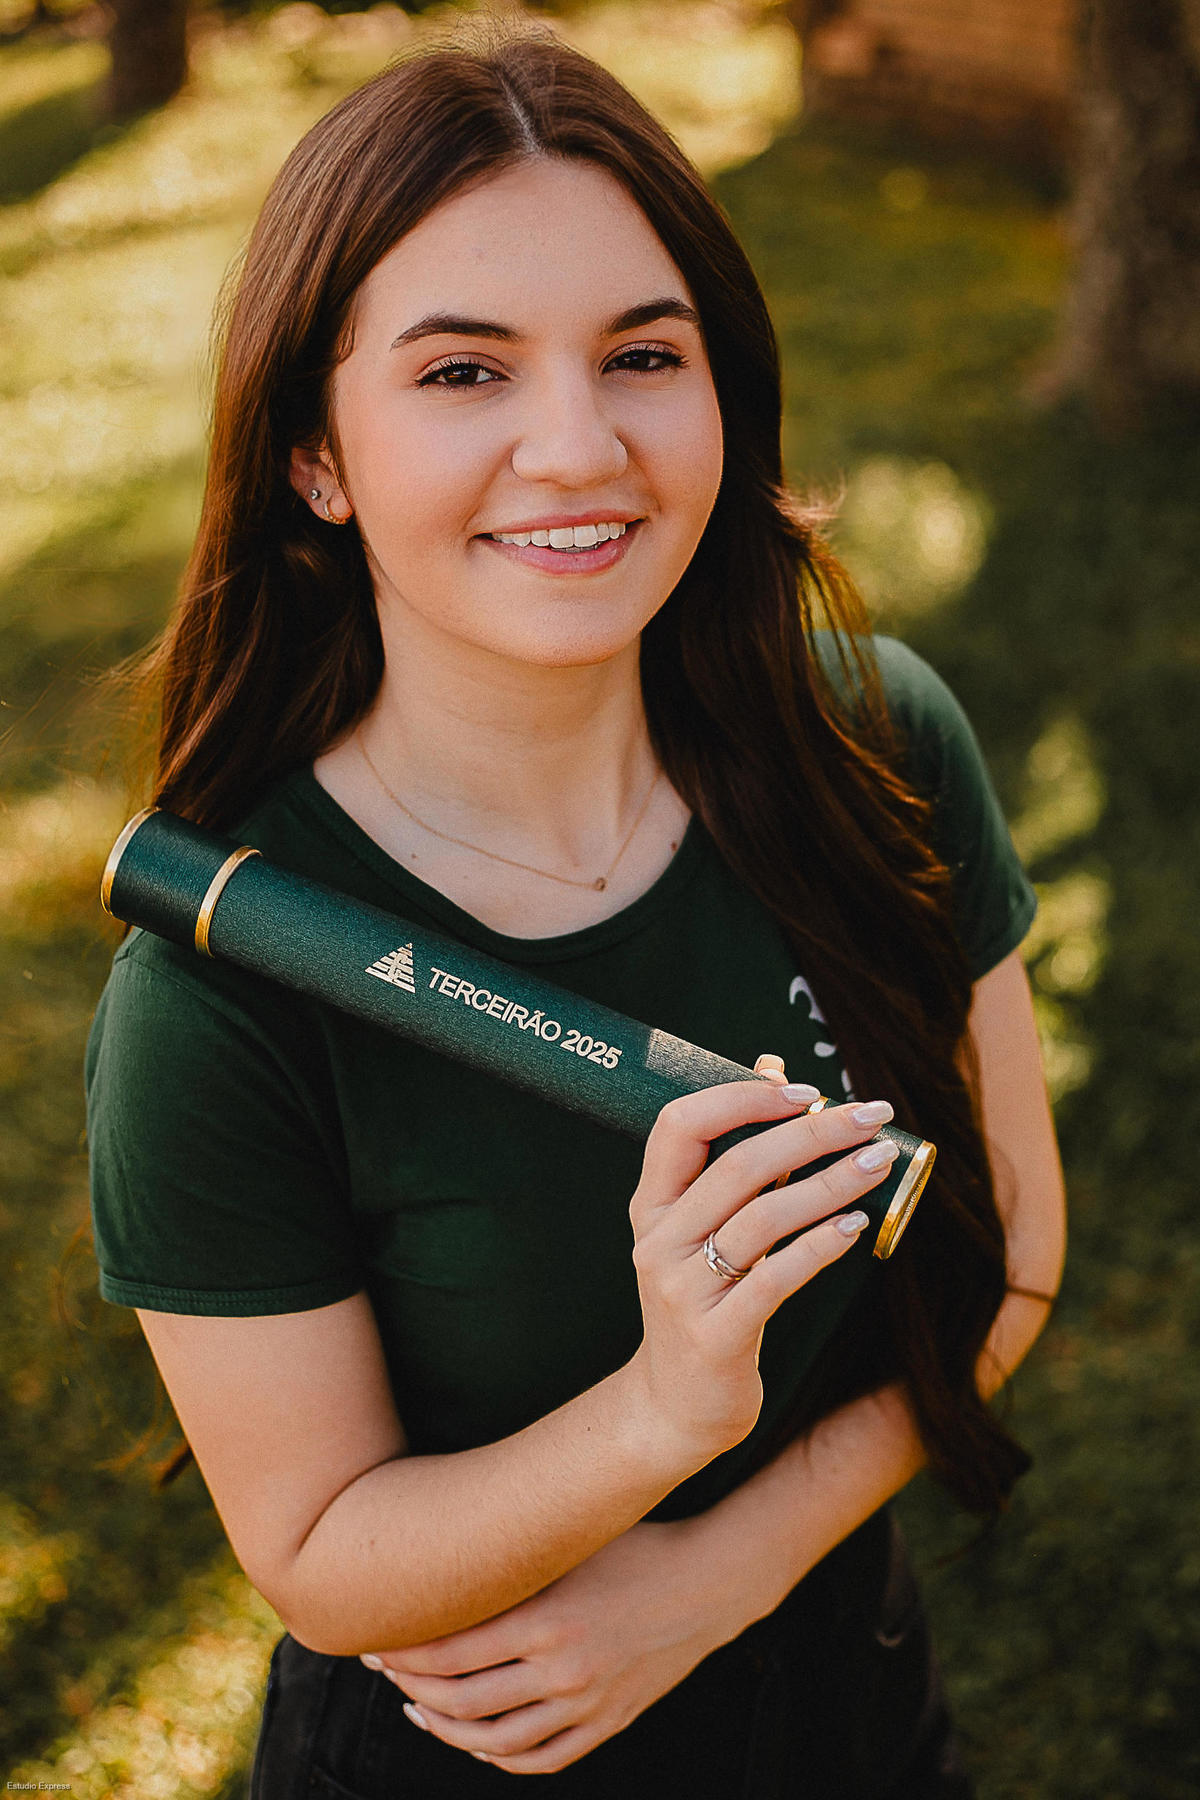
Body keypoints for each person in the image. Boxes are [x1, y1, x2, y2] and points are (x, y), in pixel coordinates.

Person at [84, 30, 1065, 1799]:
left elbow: (1009, 1261)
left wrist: (721, 1569)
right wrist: (657, 1418)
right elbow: (314, 1550)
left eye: (641, 354)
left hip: (851, 1698)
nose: (576, 444)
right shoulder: (225, 980)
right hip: (477, 1748)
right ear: (316, 454)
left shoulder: (879, 740)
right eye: (463, 370)